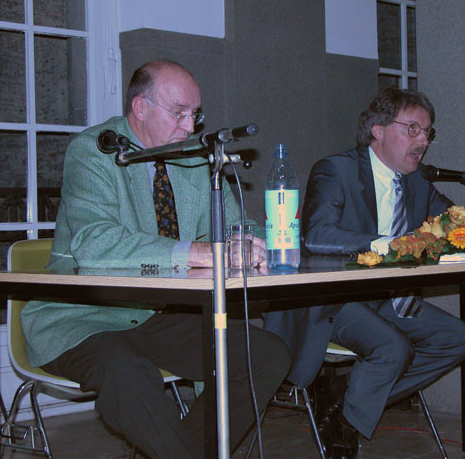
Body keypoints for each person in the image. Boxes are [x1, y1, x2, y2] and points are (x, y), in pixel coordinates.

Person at [21, 60, 291, 458]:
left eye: (195, 115)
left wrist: (252, 242)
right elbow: (95, 244)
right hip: (84, 316)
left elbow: (237, 225)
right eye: (179, 113)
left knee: (266, 356)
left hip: (156, 316)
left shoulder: (195, 158)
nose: (190, 126)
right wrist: (199, 252)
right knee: (128, 374)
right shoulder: (94, 151)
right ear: (140, 108)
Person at [263, 87, 465, 459]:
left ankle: (344, 396)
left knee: (457, 338)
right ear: (378, 130)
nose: (423, 141)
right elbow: (316, 235)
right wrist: (385, 244)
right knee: (393, 349)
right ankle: (346, 426)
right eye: (412, 129)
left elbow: (456, 224)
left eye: (427, 132)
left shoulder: (418, 182)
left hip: (389, 298)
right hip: (336, 299)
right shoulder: (337, 170)